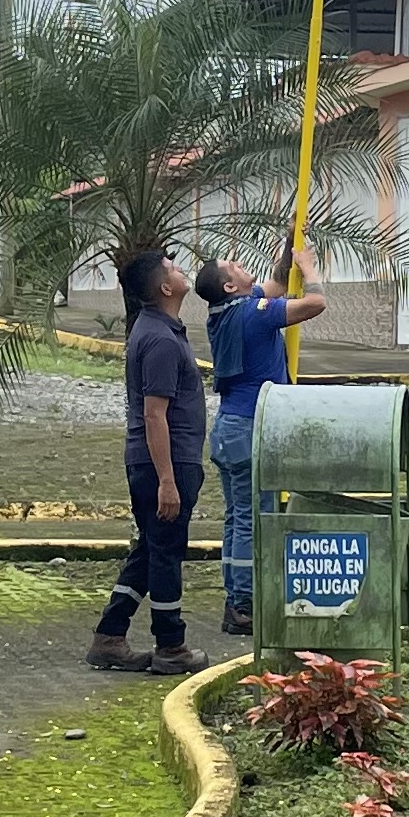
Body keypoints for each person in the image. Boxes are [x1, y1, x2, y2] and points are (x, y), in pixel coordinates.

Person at [86, 243, 207, 677]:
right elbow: (155, 414)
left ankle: (109, 636)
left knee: (153, 549)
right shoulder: (159, 339)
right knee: (167, 554)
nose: (180, 270)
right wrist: (168, 481)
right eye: (172, 267)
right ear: (164, 287)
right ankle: (171, 645)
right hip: (164, 463)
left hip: (163, 462)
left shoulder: (159, 329)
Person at [194, 243, 325, 637]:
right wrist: (310, 268)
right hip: (251, 428)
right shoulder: (254, 314)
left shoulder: (229, 310)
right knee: (252, 520)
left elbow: (278, 283)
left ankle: (237, 600)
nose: (239, 262)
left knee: (237, 518)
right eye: (232, 265)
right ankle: (244, 605)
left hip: (231, 428)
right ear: (229, 286)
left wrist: (291, 244)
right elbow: (315, 303)